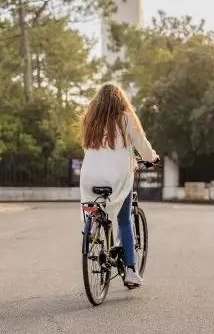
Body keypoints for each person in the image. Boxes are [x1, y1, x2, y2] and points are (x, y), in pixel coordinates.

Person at [79, 83, 158, 288]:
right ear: (120, 100)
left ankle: (95, 226)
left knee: (96, 208)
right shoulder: (126, 118)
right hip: (116, 179)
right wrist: (152, 157)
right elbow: (142, 145)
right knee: (123, 221)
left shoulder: (90, 120)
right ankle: (131, 271)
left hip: (89, 177)